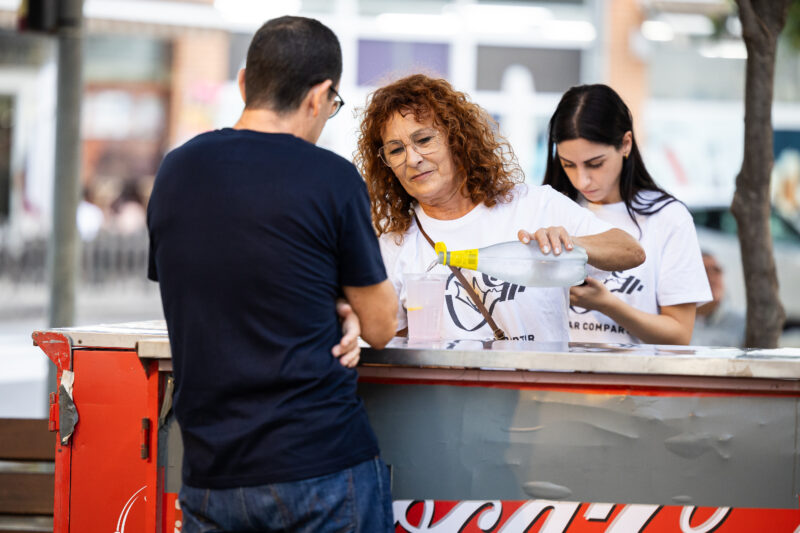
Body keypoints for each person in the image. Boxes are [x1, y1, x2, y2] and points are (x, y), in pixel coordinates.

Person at [147, 16, 398, 533]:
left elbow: (224, 286)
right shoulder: (331, 178)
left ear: (244, 83)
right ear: (319, 95)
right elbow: (381, 326)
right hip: (320, 467)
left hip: (210, 474)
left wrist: (329, 301)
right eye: (333, 106)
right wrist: (347, 307)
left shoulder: (175, 172)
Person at [355, 74, 645, 342]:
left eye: (424, 140)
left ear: (457, 139)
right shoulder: (393, 246)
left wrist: (571, 243)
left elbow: (630, 251)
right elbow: (393, 345)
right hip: (445, 397)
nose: (413, 158)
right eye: (395, 150)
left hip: (540, 394)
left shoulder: (535, 205)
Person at [543, 84, 711, 345]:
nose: (582, 180)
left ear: (625, 144)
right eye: (568, 165)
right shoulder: (550, 208)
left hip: (632, 382)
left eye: (595, 164)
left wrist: (607, 304)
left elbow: (679, 334)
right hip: (553, 380)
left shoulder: (668, 218)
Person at [691, 251, 746, 347]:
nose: (712, 278)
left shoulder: (743, 323)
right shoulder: (674, 322)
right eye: (704, 271)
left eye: (717, 270)